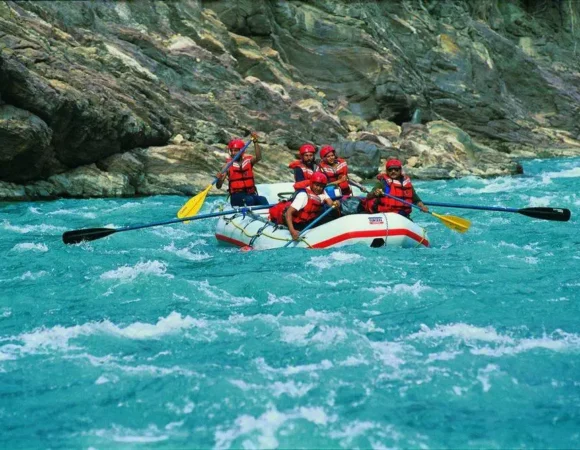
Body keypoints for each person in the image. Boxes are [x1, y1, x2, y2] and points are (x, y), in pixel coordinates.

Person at [216, 132, 269, 207]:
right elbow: (218, 186)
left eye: (236, 150)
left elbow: (258, 157)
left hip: (250, 193)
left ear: (242, 151)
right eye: (232, 150)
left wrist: (255, 142)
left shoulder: (248, 162)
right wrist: (219, 179)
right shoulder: (227, 166)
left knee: (263, 199)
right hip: (236, 197)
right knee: (249, 200)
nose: (233, 153)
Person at [362, 158, 428, 218]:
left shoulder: (407, 184)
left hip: (403, 216)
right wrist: (375, 193)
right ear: (387, 171)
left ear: (400, 170)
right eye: (390, 170)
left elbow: (416, 200)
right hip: (386, 216)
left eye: (396, 169)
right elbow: (369, 196)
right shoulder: (383, 183)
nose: (393, 171)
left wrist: (422, 206)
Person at [284, 172, 340, 240]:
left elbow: (331, 204)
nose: (318, 188)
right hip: (298, 224)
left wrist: (336, 204)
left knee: (330, 213)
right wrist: (292, 231)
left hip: (310, 220)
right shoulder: (303, 195)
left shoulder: (322, 192)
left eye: (321, 186)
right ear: (312, 183)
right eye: (317, 185)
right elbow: (288, 213)